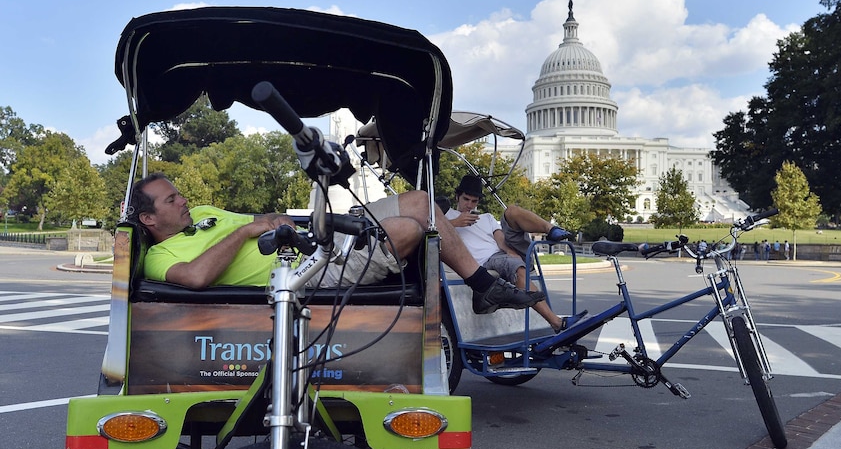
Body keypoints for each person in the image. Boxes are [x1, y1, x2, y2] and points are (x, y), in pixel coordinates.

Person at [127, 173, 545, 313]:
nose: (183, 200)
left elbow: (264, 219)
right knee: (407, 230)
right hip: (307, 272)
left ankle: (481, 288)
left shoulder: (200, 213)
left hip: (315, 236)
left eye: (179, 193)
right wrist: (246, 232)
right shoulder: (160, 257)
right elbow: (197, 277)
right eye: (171, 199)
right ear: (148, 218)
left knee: (419, 201)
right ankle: (484, 287)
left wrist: (280, 219)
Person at [445, 174, 584, 333]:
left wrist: (511, 252)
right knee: (515, 266)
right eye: (466, 199)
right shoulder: (446, 217)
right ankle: (557, 322)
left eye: (474, 201)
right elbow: (434, 232)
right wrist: (455, 223)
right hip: (485, 262)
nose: (469, 205)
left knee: (511, 210)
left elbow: (500, 240)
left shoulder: (487, 218)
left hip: (502, 252)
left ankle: (552, 229)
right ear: (457, 197)